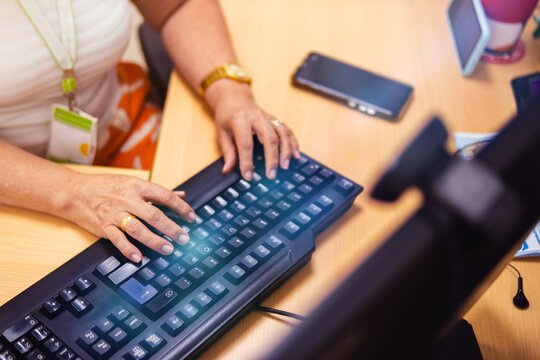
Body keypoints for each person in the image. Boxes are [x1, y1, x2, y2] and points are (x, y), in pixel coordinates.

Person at [0, 0, 300, 263]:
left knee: (228, 213)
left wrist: (229, 92)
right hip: (22, 181)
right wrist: (72, 192)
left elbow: (178, 6)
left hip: (123, 119)